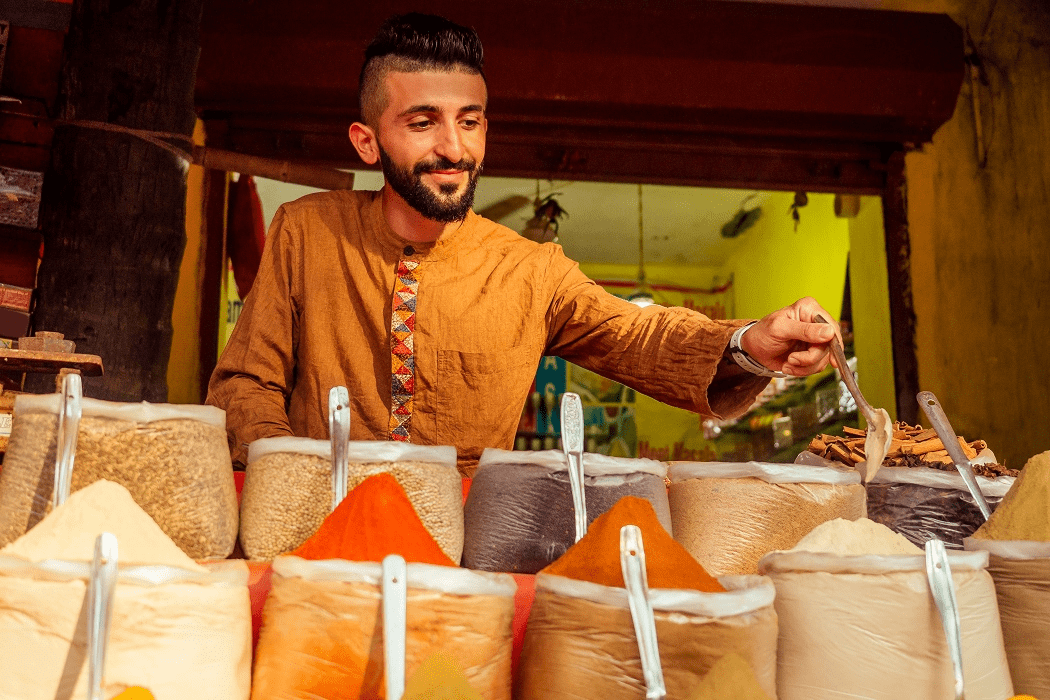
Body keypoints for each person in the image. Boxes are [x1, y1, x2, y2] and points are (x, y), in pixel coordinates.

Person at [207, 13, 840, 475]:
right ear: (367, 142)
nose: (454, 149)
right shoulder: (307, 233)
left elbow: (637, 337)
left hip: (464, 558)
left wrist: (749, 342)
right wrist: (290, 477)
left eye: (471, 122)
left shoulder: (530, 270)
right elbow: (245, 381)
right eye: (422, 122)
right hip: (317, 541)